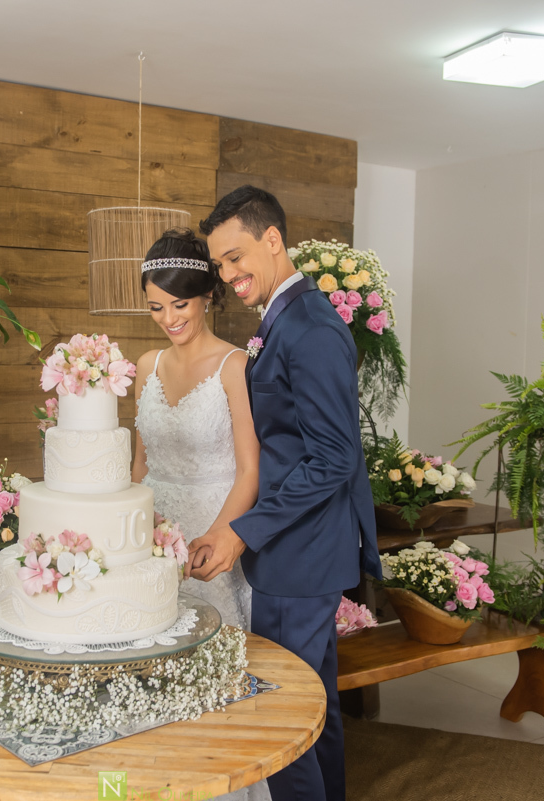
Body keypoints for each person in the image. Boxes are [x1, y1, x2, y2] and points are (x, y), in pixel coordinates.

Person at [189, 186, 381, 801]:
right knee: (312, 710)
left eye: (236, 257)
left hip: (301, 556)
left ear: (273, 240)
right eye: (220, 264)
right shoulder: (287, 318)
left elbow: (334, 458)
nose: (228, 275)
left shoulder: (311, 328)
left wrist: (243, 531)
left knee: (279, 718)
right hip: (299, 551)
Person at [131, 227, 270, 801]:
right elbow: (139, 464)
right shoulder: (145, 365)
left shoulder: (235, 366)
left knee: (208, 678)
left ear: (208, 295)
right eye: (156, 308)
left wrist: (220, 534)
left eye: (179, 305)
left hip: (214, 533)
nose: (168, 319)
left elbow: (250, 470)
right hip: (153, 537)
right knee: (149, 670)